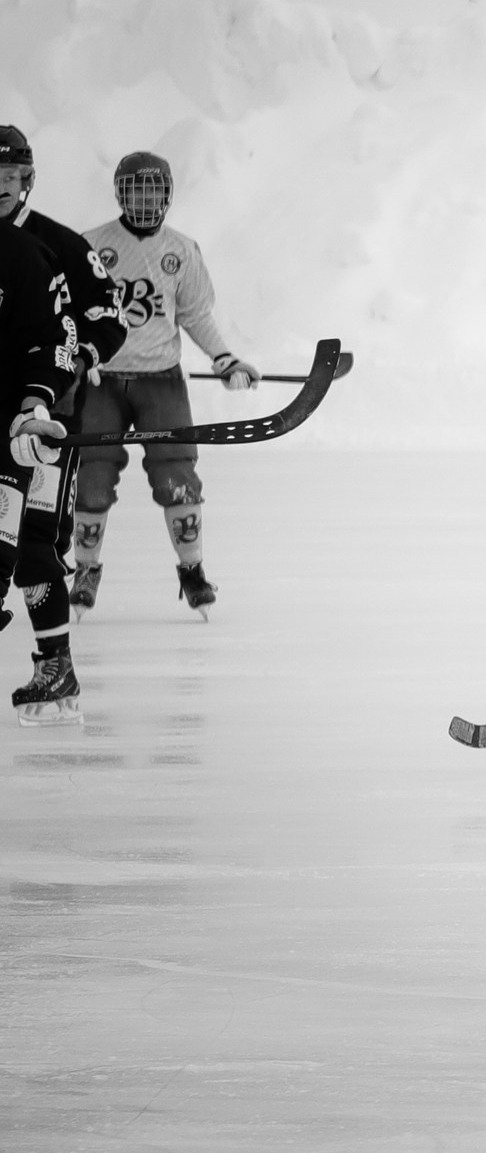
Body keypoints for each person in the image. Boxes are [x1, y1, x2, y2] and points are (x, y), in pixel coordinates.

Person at [73, 152, 261, 621]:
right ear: (119, 193)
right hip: (101, 380)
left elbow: (195, 314)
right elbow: (68, 311)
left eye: (152, 190)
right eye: (135, 190)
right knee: (92, 476)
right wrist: (68, 362)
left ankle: (192, 570)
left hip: (162, 382)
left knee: (177, 475)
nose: (144, 200)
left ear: (167, 194)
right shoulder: (90, 245)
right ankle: (85, 570)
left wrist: (224, 358)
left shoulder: (182, 249)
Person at [0, 126, 128, 724]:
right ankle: (58, 666)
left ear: (27, 181)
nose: (1, 190)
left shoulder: (59, 245)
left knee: (33, 541)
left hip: (52, 421)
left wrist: (81, 357)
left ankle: (56, 662)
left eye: (10, 179)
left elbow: (108, 317)